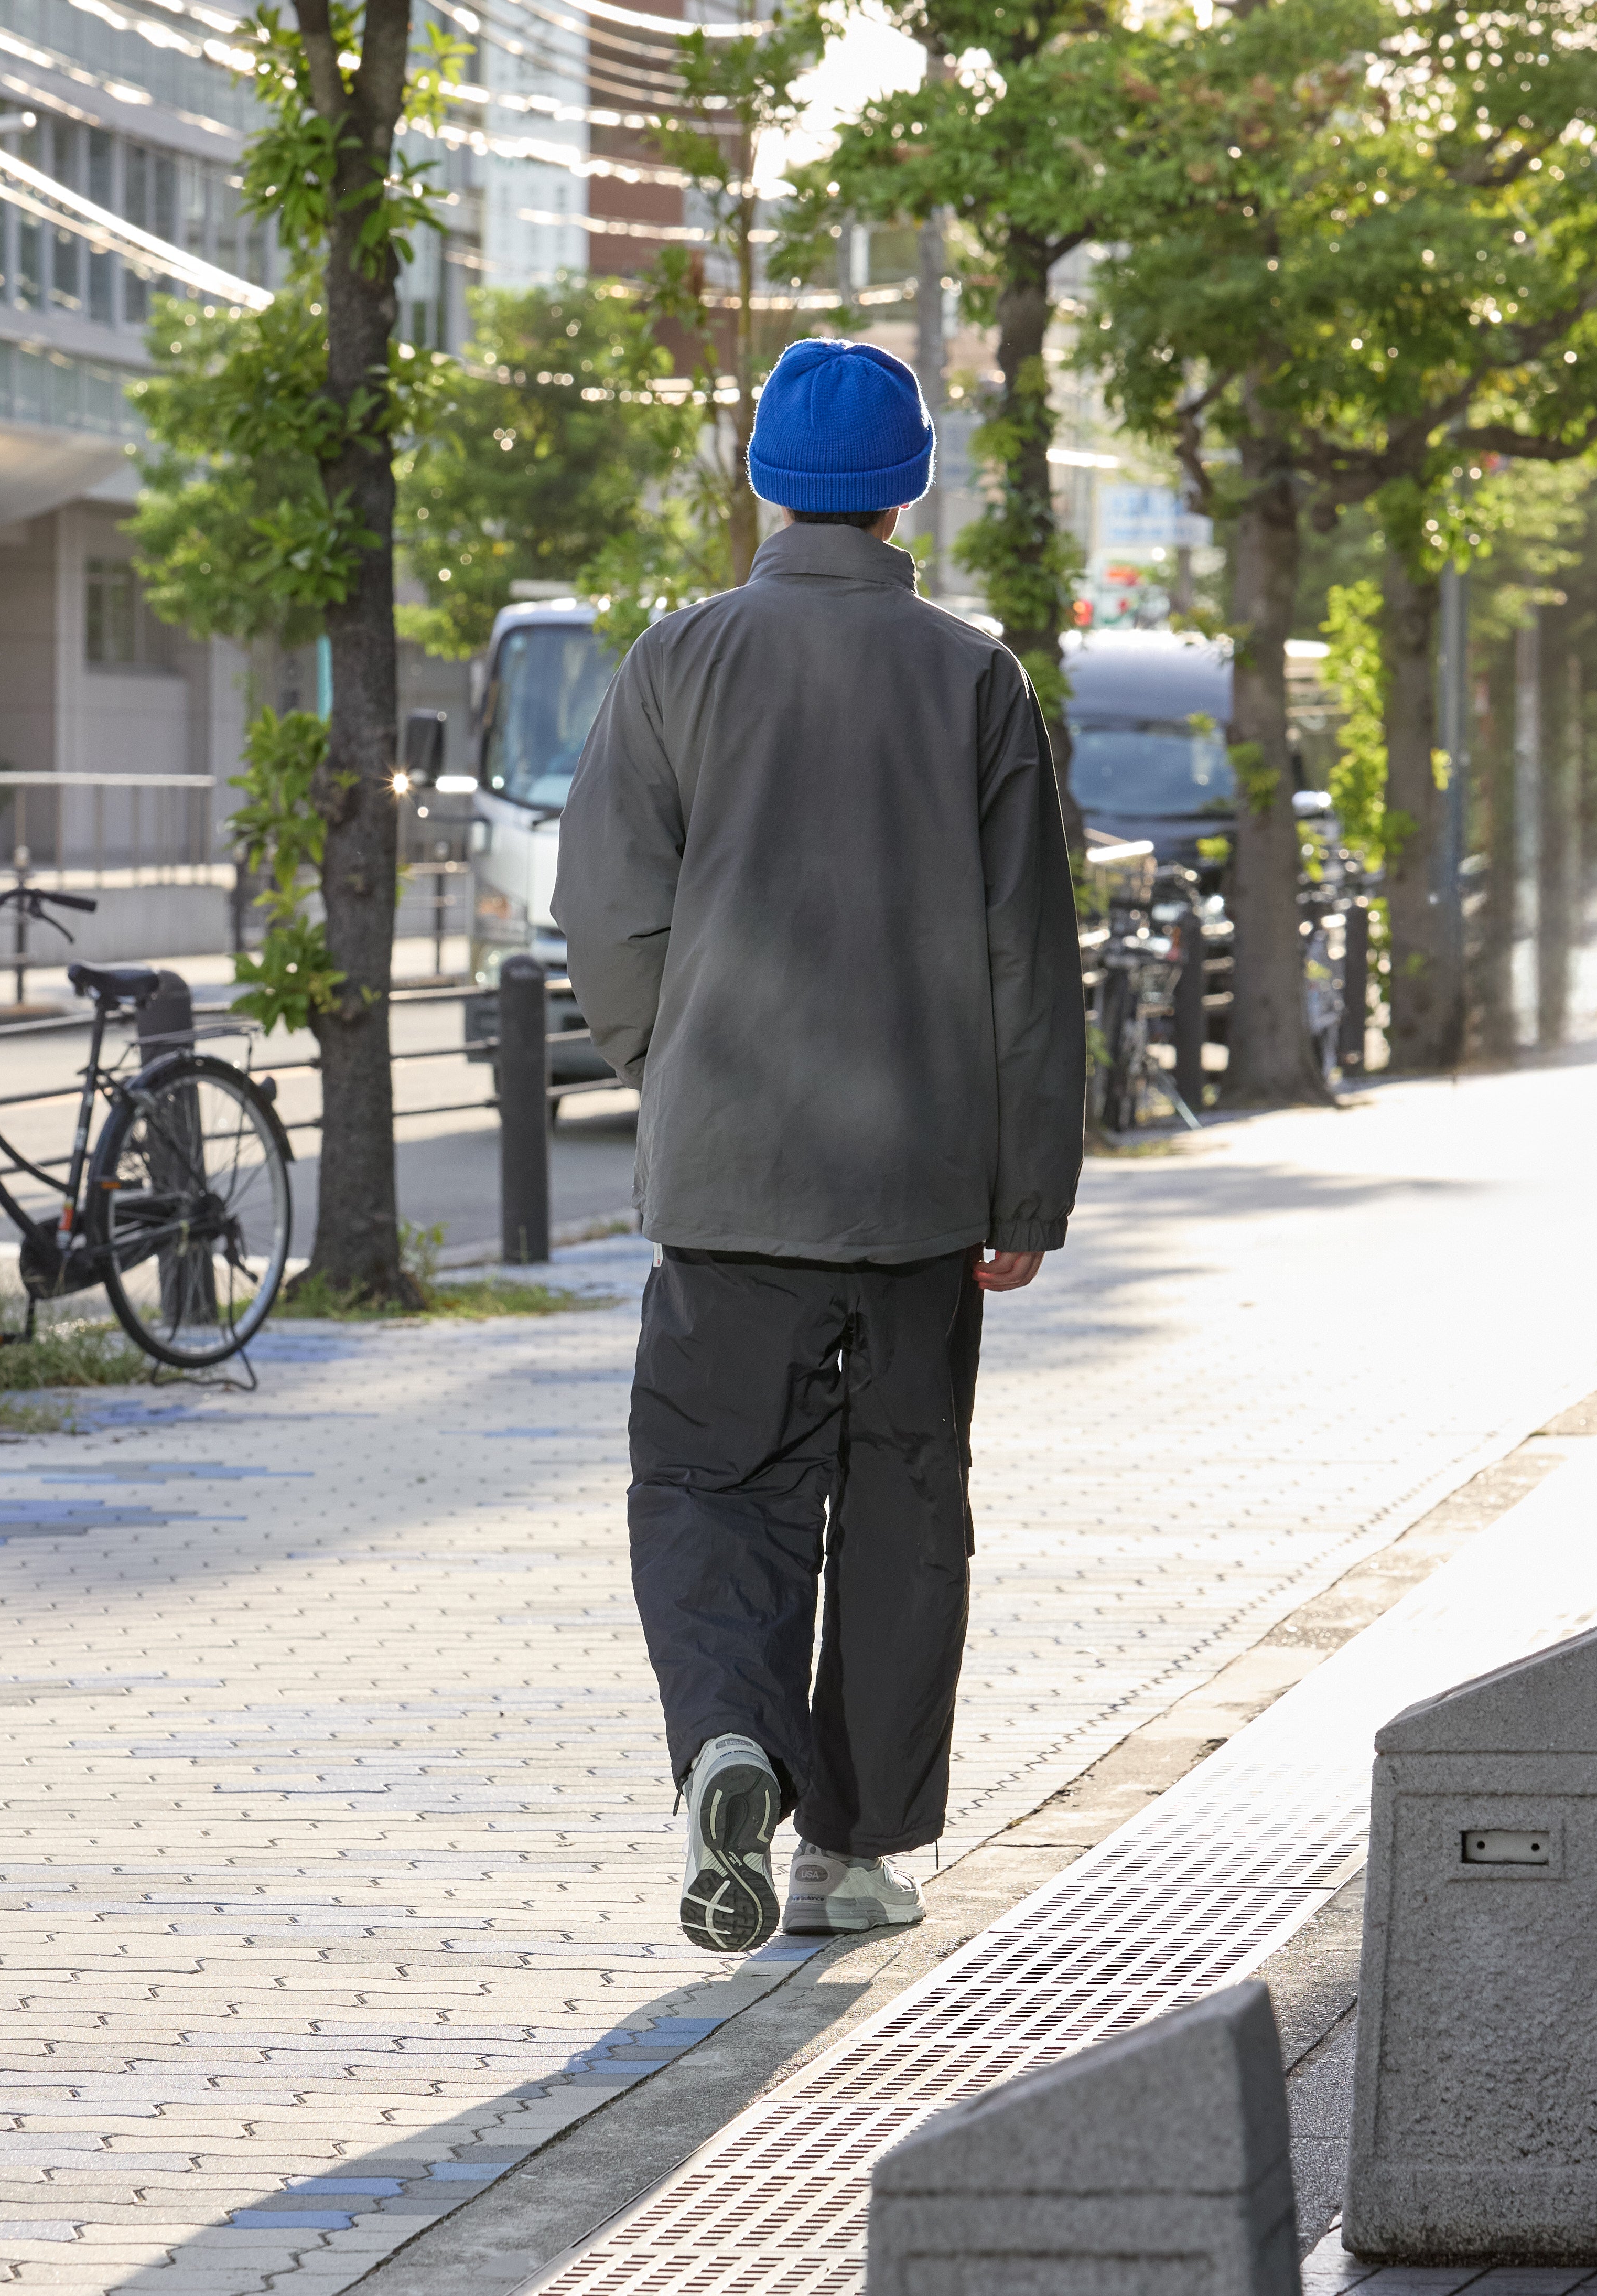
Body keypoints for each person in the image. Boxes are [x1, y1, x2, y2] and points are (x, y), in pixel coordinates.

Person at [553, 337, 1085, 1955]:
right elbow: (1027, 959)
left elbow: (608, 914)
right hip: (924, 1194)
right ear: (907, 483)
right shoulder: (975, 676)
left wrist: (677, 1066)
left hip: (729, 1188)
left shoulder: (678, 660)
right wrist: (1023, 1189)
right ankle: (849, 1855)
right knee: (906, 1507)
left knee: (715, 1486)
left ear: (767, 481)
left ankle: (730, 1740)